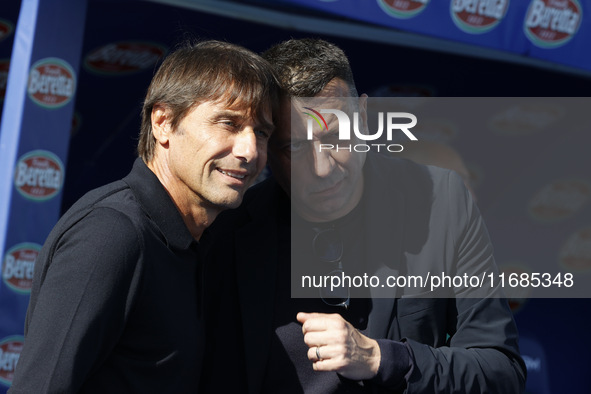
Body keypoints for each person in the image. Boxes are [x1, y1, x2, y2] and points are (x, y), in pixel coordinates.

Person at [204, 38, 526, 393]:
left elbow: (501, 372)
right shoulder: (231, 226)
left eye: (337, 136)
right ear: (264, 143)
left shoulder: (441, 201)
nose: (323, 167)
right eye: (294, 146)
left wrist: (381, 359)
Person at [9, 40, 280, 393]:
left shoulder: (203, 238)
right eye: (228, 123)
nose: (250, 150)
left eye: (261, 132)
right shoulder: (112, 234)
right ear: (163, 122)